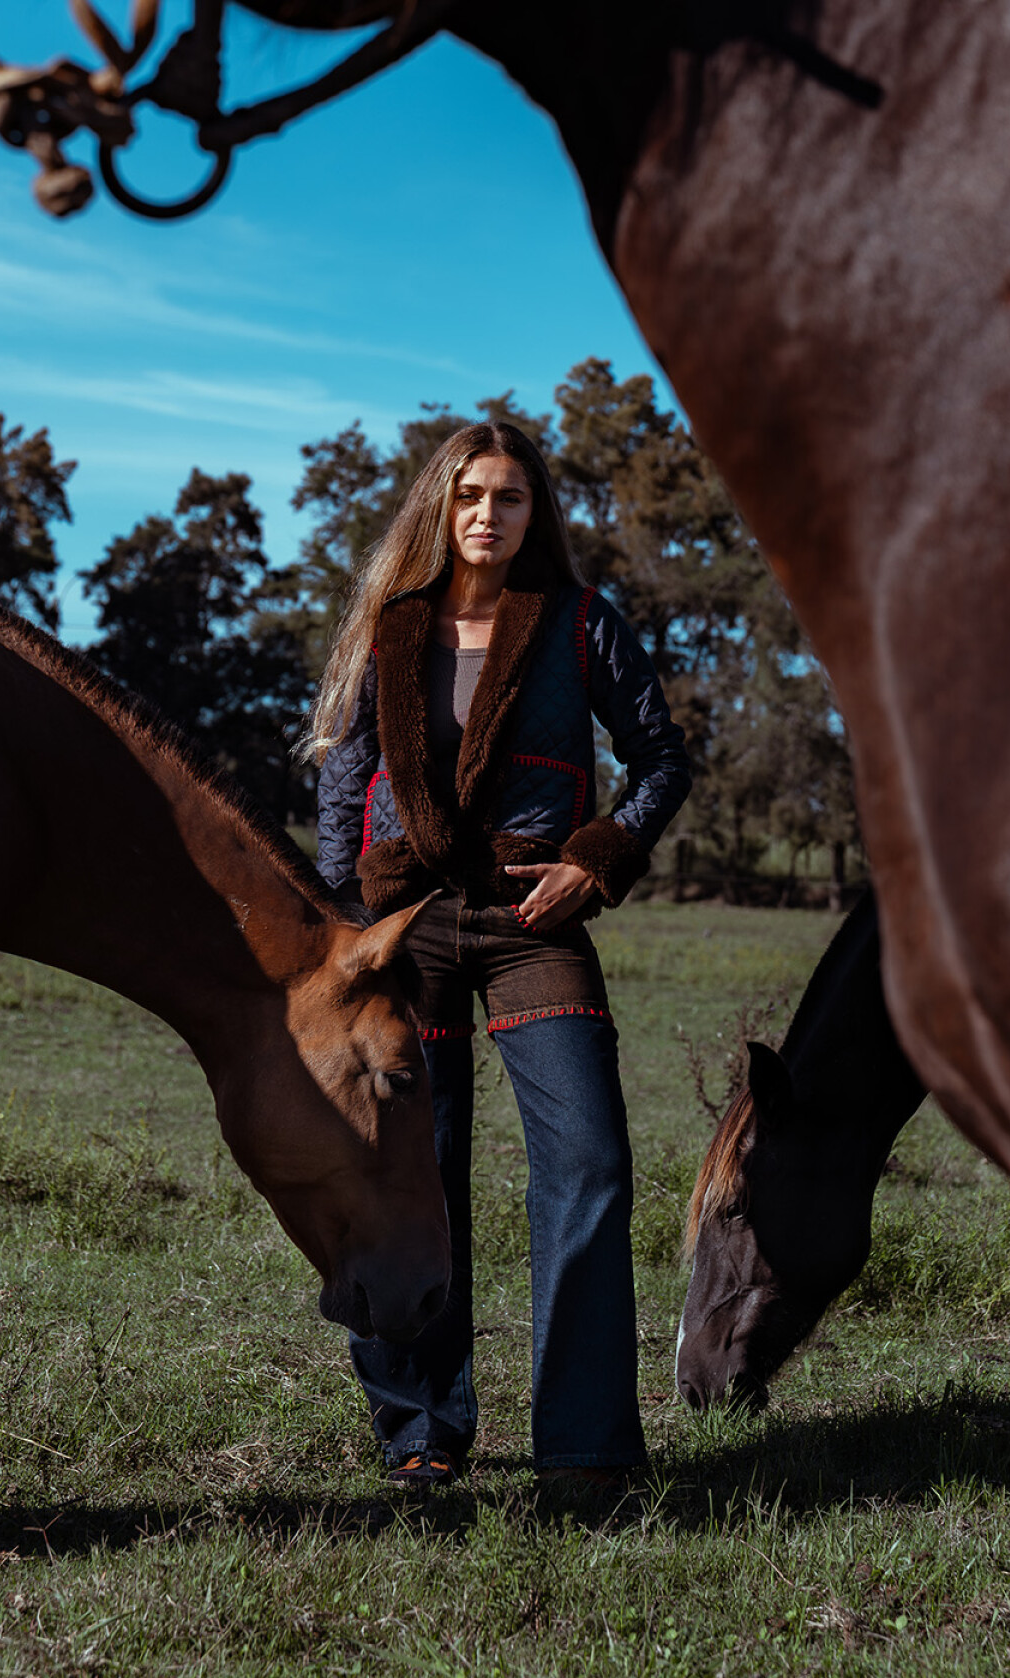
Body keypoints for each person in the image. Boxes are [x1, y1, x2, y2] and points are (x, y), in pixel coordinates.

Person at [308, 420, 691, 1487]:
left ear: (537, 513)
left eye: (510, 496)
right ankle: (422, 1437)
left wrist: (599, 858)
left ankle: (583, 1452)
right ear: (443, 506)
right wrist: (348, 917)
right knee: (412, 1167)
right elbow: (345, 777)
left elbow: (660, 755)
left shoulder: (581, 624)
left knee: (590, 1159)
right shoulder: (391, 627)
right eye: (470, 494)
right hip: (409, 923)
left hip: (536, 921)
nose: (488, 514)